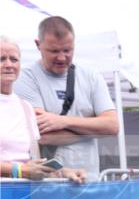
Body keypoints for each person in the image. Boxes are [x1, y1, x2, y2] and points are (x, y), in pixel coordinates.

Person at [13, 16, 119, 179]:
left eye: (67, 50)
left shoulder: (92, 76)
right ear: (38, 45)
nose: (62, 58)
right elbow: (42, 135)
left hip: (89, 181)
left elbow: (112, 126)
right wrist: (94, 127)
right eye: (54, 51)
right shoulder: (26, 78)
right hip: (48, 183)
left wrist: (62, 121)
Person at [1, 37, 85, 182]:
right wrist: (19, 171)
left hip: (23, 193)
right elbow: (25, 169)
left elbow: (33, 163)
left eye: (14, 59)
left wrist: (62, 172)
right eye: (1, 59)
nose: (9, 65)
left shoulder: (25, 107)